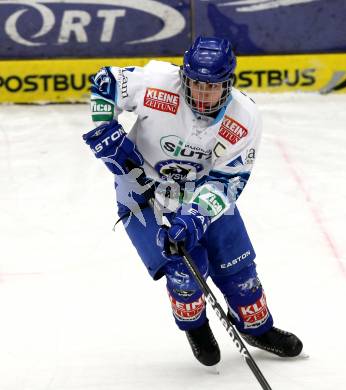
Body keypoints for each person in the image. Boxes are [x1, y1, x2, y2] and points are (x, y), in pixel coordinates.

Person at [83, 36, 303, 366]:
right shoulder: (157, 82)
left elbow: (228, 181)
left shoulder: (244, 118)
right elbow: (106, 80)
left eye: (211, 87)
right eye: (195, 84)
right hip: (141, 197)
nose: (202, 94)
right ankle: (196, 328)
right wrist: (105, 127)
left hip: (200, 195)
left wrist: (196, 215)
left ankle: (256, 327)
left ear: (228, 84)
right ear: (183, 77)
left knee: (238, 267)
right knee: (184, 270)